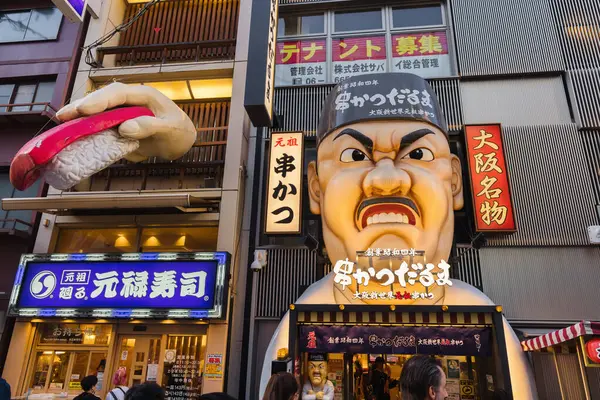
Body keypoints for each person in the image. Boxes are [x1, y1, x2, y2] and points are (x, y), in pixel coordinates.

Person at [259, 73, 538, 400]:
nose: (387, 179)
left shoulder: (479, 312)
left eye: (418, 155)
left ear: (455, 182)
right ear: (316, 189)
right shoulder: (304, 315)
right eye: (354, 156)